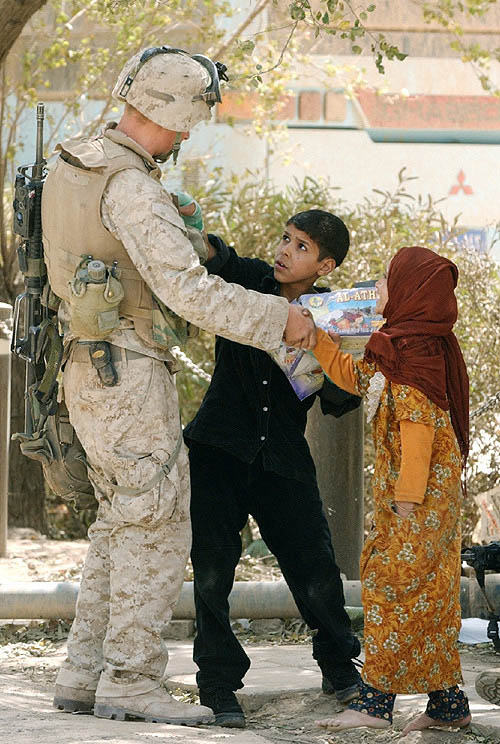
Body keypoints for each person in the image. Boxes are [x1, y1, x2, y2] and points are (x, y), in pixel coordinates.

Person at [41, 46, 316, 726]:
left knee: (119, 522)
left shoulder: (76, 162)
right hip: (129, 371)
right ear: (171, 111)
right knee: (157, 523)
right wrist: (280, 319)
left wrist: (183, 228)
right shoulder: (132, 187)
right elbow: (187, 291)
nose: (188, 136)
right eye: (190, 121)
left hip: (86, 365)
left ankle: (85, 673)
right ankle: (131, 679)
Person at [184, 210, 363, 728]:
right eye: (286, 238)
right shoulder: (250, 280)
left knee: (316, 569)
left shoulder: (332, 315)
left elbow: (341, 400)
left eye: (301, 246)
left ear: (325, 265)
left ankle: (339, 665)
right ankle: (218, 686)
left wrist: (333, 351)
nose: (285, 250)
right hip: (218, 450)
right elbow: (218, 257)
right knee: (212, 573)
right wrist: (190, 227)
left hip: (282, 457)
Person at [310, 246, 472, 735]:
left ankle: (375, 704)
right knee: (428, 595)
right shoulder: (397, 346)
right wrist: (317, 340)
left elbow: (418, 432)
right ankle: (448, 705)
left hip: (417, 504)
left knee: (391, 590)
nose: (379, 287)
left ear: (410, 292)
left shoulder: (416, 355)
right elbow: (357, 378)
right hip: (415, 504)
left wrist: (406, 499)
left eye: (386, 279)